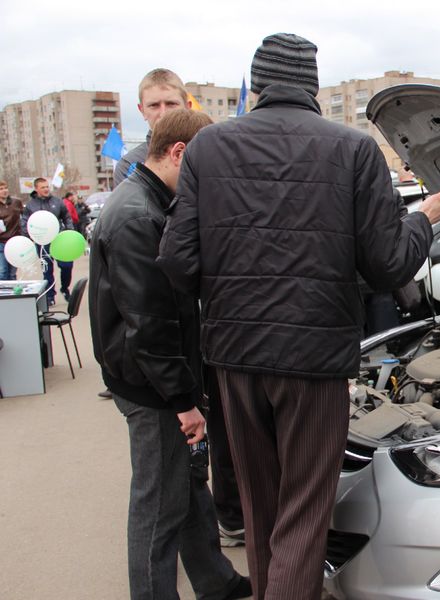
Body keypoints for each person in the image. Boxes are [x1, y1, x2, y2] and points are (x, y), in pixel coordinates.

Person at [158, 33, 440, 600]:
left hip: (234, 358)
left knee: (263, 505)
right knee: (303, 511)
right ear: (313, 86)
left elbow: (176, 259)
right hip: (314, 361)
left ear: (259, 83)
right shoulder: (353, 149)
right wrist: (423, 221)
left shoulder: (207, 148)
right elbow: (389, 262)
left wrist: (230, 292)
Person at [88, 109, 251, 600]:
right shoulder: (139, 216)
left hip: (157, 379)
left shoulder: (148, 202)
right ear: (180, 153)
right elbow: (151, 327)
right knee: (159, 506)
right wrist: (183, 402)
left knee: (186, 491)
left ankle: (215, 581)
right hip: (152, 387)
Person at [114, 68, 190, 187]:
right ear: (142, 110)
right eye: (154, 105)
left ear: (187, 106)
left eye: (171, 104)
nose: (164, 113)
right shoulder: (129, 166)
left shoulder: (208, 152)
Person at [22, 178, 74, 305]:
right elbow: (25, 222)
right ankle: (50, 296)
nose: (46, 189)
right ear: (36, 189)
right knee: (47, 270)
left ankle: (65, 288)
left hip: (60, 239)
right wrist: (27, 235)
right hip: (43, 242)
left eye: (47, 187)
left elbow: (66, 217)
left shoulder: (57, 202)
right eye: (42, 187)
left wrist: (69, 230)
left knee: (67, 266)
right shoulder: (31, 205)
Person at [0, 180, 24, 280]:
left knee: (12, 273)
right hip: (1, 241)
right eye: (1, 189)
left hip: (15, 241)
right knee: (3, 271)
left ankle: (13, 295)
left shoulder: (16, 202)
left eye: (5, 188)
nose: (4, 191)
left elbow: (25, 217)